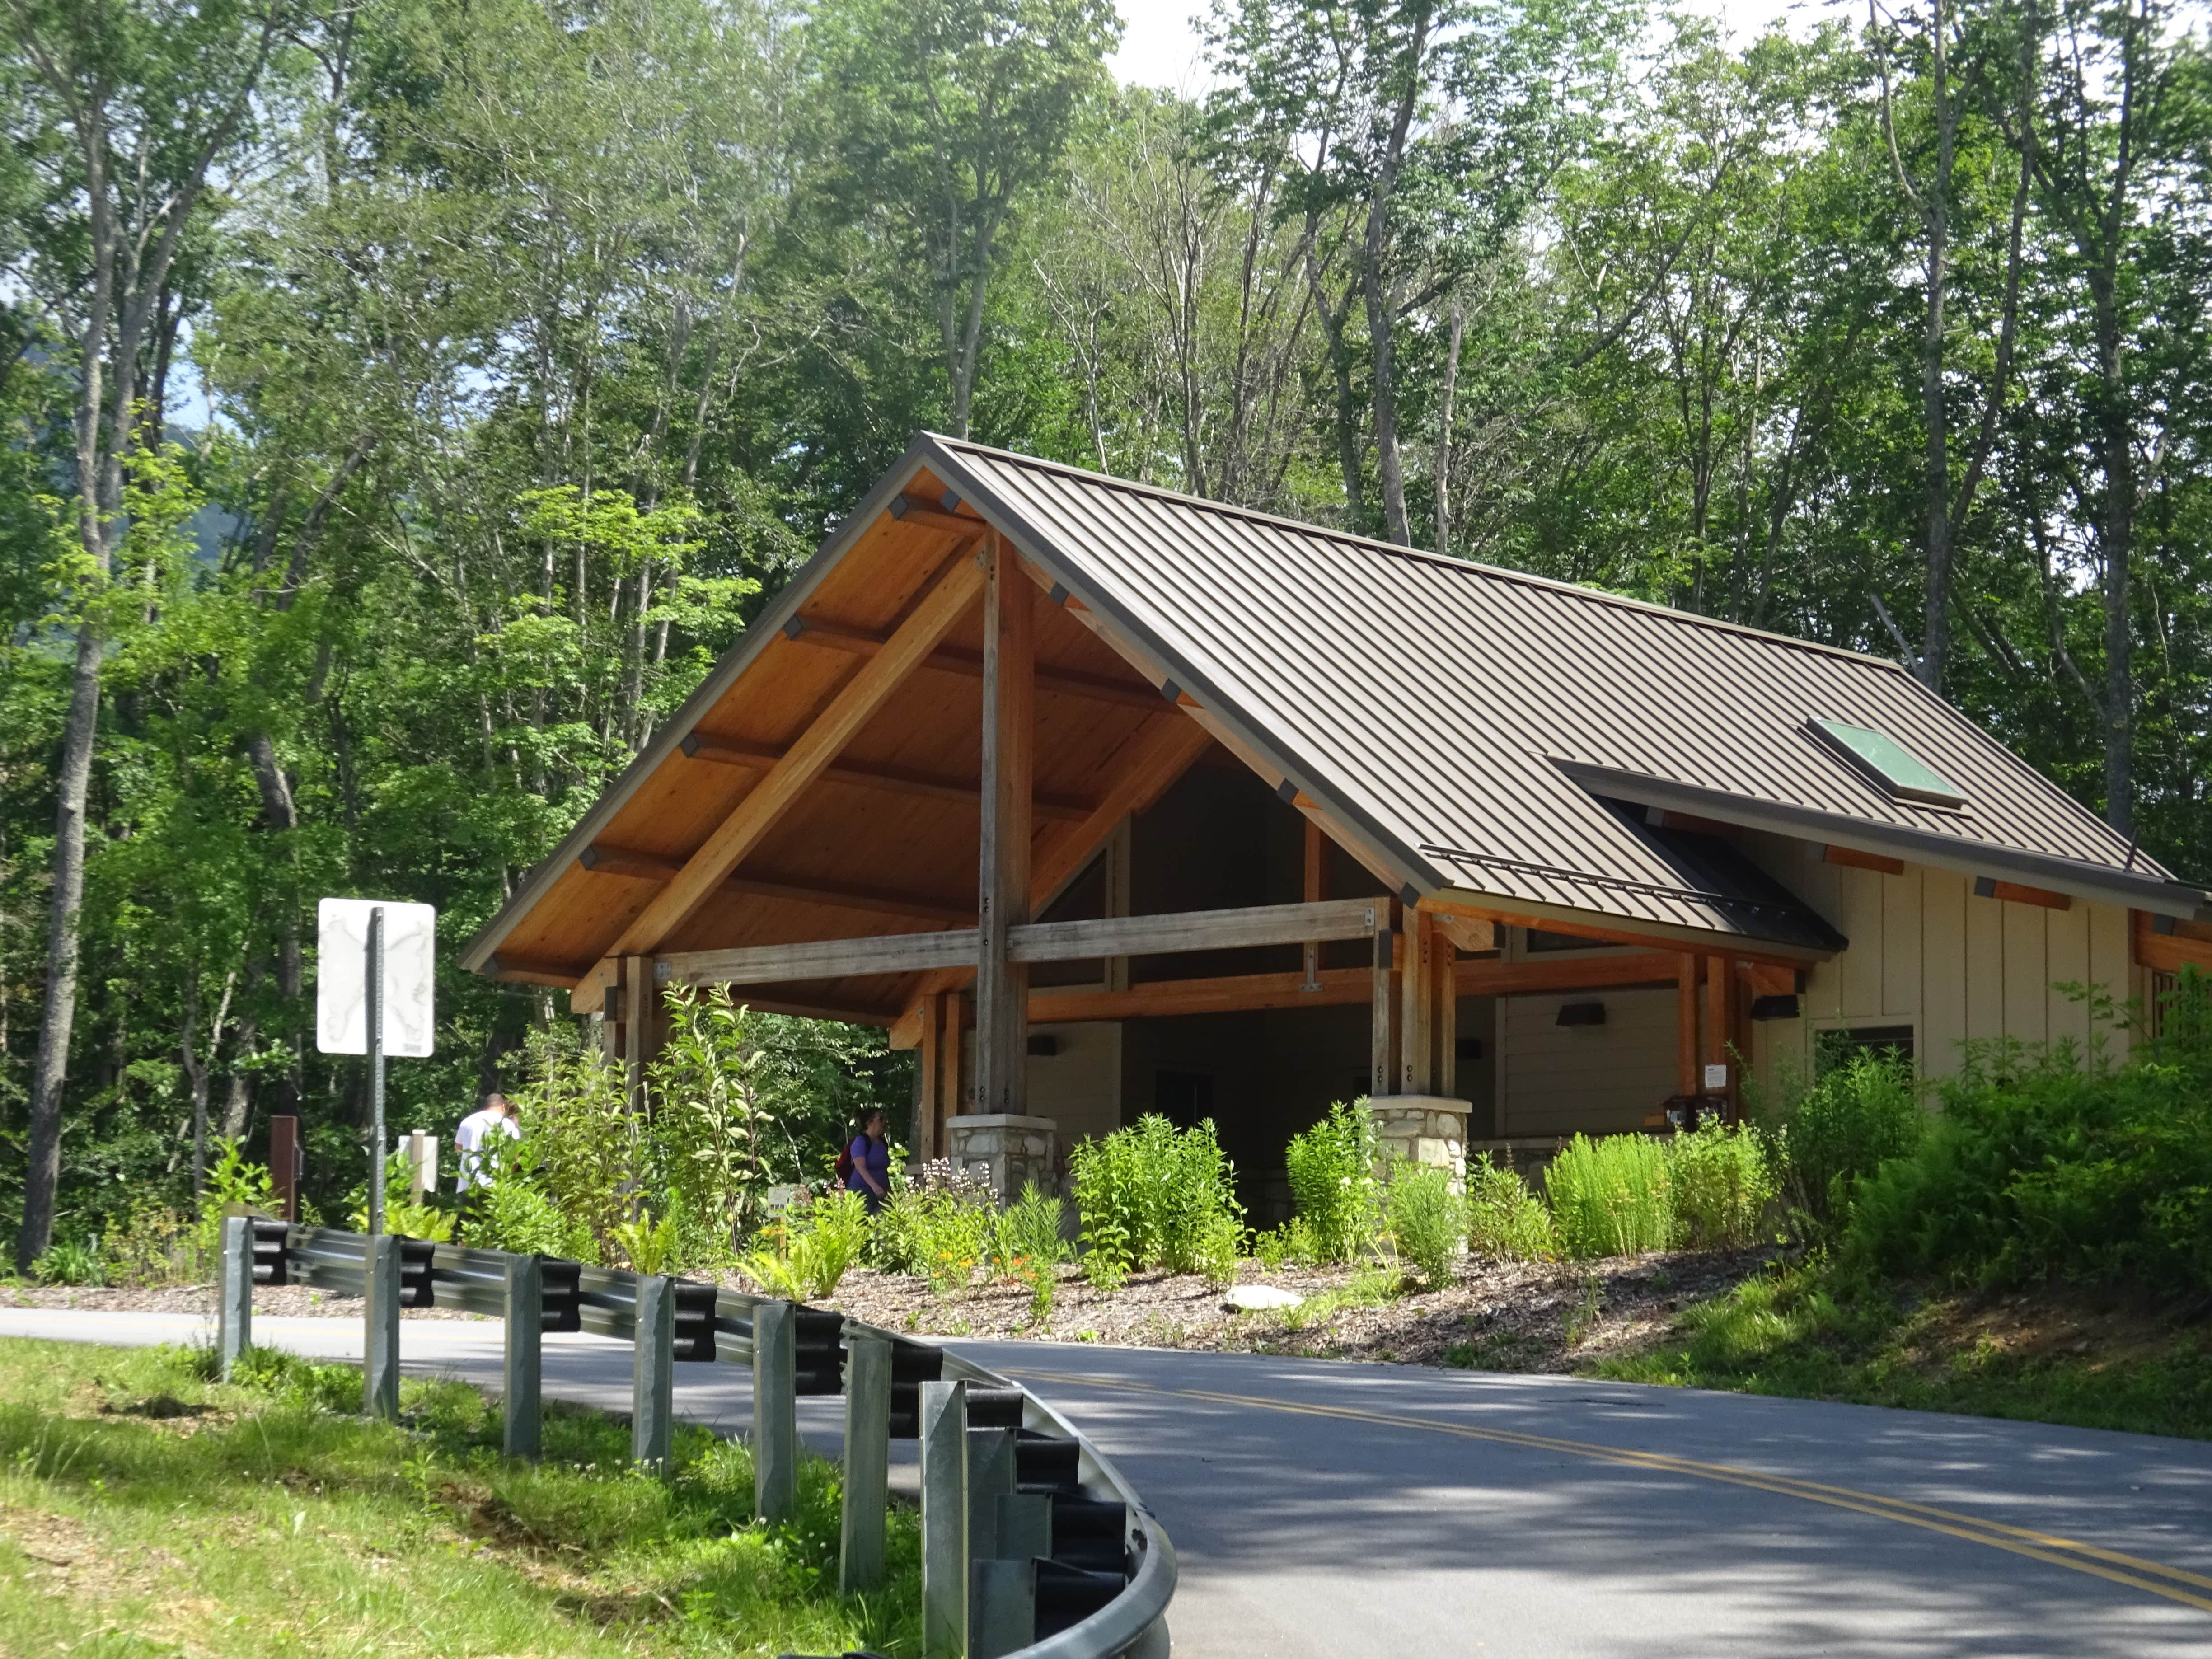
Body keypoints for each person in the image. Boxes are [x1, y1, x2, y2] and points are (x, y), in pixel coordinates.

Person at [455, 1092, 520, 1193]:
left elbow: (458, 1149)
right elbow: (515, 1157)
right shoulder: (508, 1125)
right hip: (494, 1186)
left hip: (467, 1185)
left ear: (487, 1106)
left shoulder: (467, 1122)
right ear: (503, 1107)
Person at [843, 1108, 891, 1214]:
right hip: (861, 1193)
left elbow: (883, 1170)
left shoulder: (883, 1143)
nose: (884, 1122)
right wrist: (875, 1187)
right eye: (881, 1119)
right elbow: (861, 1167)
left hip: (881, 1194)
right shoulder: (861, 1142)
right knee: (862, 1227)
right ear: (869, 1123)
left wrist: (889, 1192)